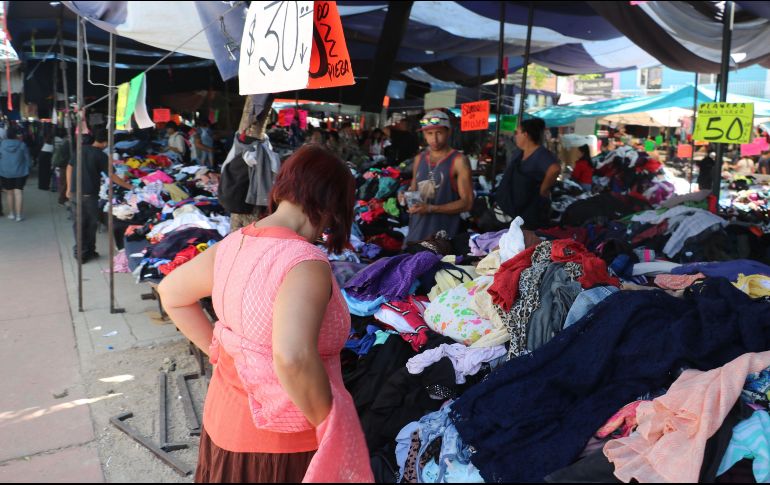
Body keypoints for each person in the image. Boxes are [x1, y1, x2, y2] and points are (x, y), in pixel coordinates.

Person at [158, 145, 373, 483]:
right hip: (281, 444)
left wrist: (224, 354)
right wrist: (332, 426)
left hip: (224, 422)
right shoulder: (304, 261)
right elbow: (293, 358)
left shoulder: (236, 242)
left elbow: (172, 294)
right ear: (333, 203)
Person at [404, 110, 474, 243]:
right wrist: (405, 197)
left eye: (439, 133)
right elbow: (413, 191)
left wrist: (431, 208)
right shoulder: (419, 159)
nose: (434, 139)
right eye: (429, 133)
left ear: (448, 132)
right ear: (424, 134)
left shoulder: (459, 160)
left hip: (442, 239)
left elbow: (467, 203)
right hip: (415, 235)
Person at [66, 128, 133, 262]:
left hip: (75, 194)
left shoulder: (80, 150)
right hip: (89, 195)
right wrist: (130, 186)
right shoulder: (101, 155)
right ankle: (86, 252)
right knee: (91, 224)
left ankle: (81, 252)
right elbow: (112, 176)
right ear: (105, 142)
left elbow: (69, 167)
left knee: (78, 224)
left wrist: (68, 188)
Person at [495, 117, 561, 229]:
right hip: (515, 208)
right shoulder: (519, 153)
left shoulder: (540, 154)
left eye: (517, 133)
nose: (515, 136)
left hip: (530, 211)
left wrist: (543, 190)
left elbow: (555, 169)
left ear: (525, 134)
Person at [0, 125, 32, 221]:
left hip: (5, 172)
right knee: (18, 193)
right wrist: (28, 168)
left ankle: (11, 214)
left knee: (9, 193)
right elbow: (28, 159)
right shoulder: (22, 144)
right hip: (20, 172)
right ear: (16, 135)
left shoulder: (2, 144)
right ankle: (19, 216)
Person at [52, 128, 72, 204]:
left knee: (62, 182)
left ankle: (62, 197)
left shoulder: (65, 142)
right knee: (64, 182)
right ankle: (62, 198)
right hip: (64, 165)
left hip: (62, 164)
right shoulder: (68, 143)